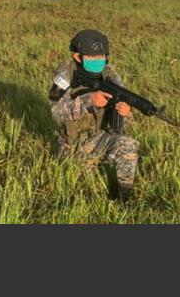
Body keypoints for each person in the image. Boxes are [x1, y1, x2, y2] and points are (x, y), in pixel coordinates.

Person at [49, 29, 140, 200]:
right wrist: (88, 101)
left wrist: (126, 113)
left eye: (101, 57)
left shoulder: (110, 75)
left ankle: (125, 196)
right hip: (72, 146)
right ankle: (88, 167)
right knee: (87, 193)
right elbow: (55, 112)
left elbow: (125, 126)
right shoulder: (65, 74)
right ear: (78, 57)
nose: (98, 61)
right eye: (92, 58)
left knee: (129, 144)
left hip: (100, 138)